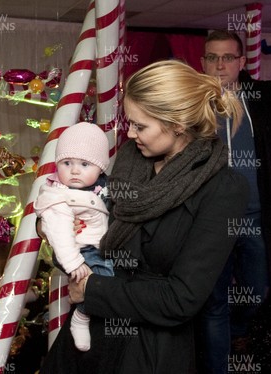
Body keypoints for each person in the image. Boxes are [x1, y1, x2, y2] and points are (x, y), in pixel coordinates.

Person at [39, 60, 249, 374]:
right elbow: (86, 216)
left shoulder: (223, 188)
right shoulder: (131, 161)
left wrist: (93, 289)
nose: (130, 133)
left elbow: (182, 298)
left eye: (140, 126)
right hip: (91, 333)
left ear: (177, 124)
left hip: (150, 348)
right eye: (130, 122)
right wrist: (49, 226)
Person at [197, 30, 271, 372]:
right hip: (208, 222)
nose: (220, 65)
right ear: (202, 62)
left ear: (241, 62)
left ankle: (237, 330)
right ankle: (218, 365)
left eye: (227, 57)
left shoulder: (262, 95)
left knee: (257, 291)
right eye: (212, 57)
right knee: (213, 299)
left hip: (255, 217)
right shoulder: (190, 100)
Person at [34, 122, 114, 352]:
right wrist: (73, 262)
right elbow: (58, 231)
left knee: (109, 279)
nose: (75, 171)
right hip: (78, 251)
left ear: (100, 168)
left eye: (85, 164)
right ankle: (82, 316)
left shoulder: (101, 186)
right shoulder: (59, 195)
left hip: (99, 245)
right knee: (100, 279)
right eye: (67, 163)